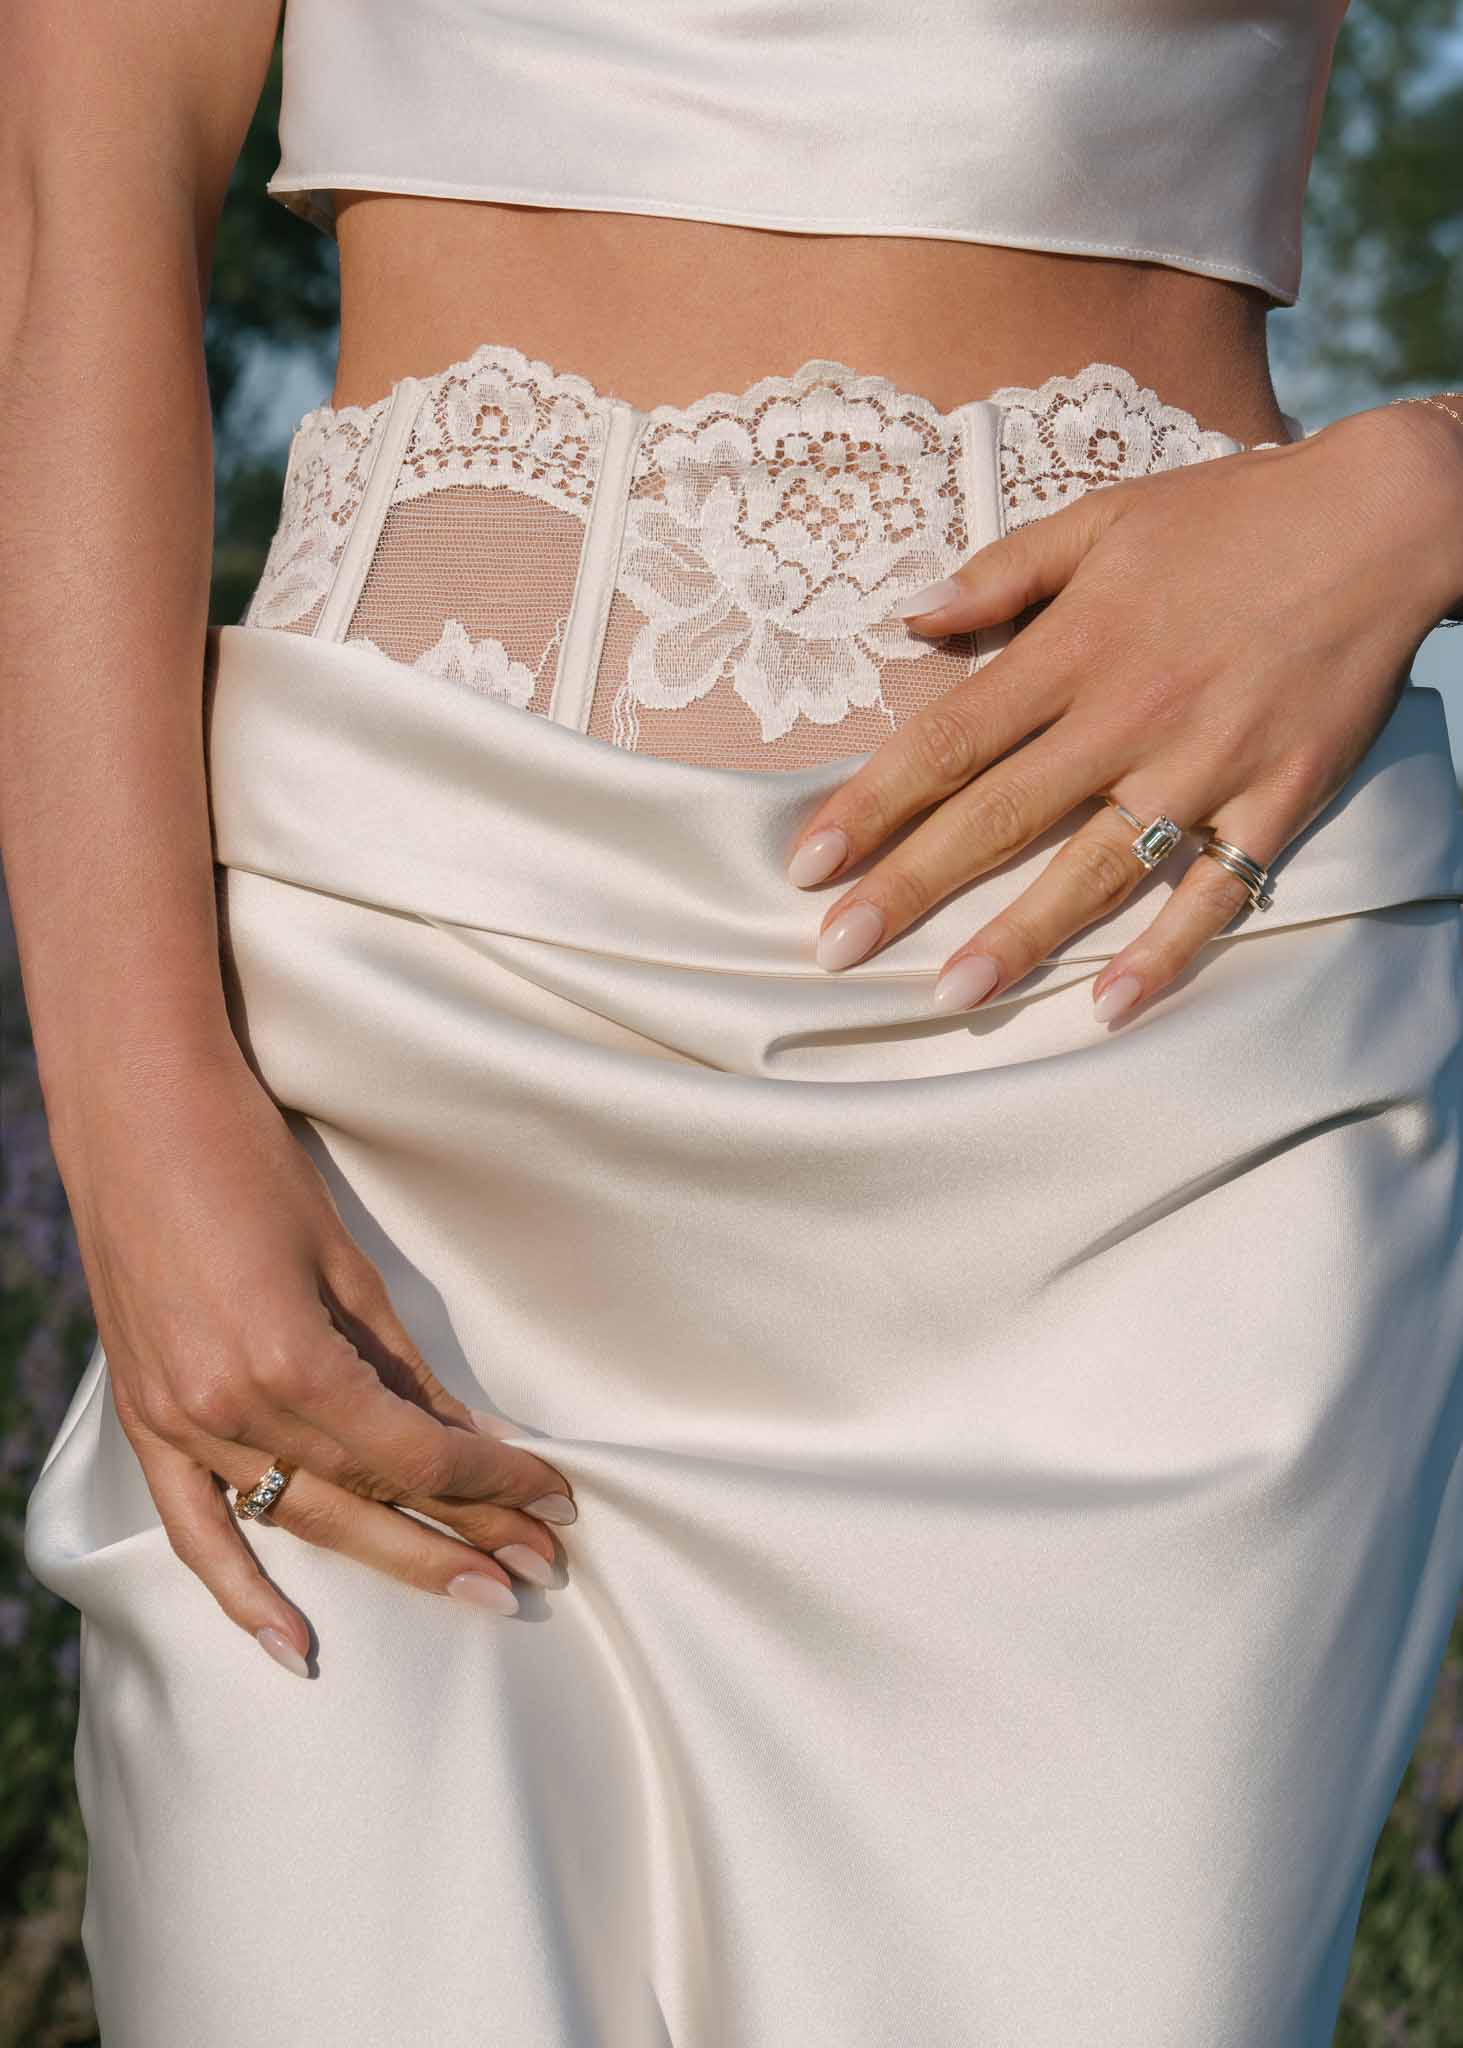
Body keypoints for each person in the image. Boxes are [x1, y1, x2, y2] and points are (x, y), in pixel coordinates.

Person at [9, 0, 1463, 2041]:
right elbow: (72, 209)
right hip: (391, 1069)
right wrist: (132, 1112)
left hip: (1148, 1077)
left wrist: (1426, 484)